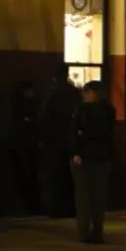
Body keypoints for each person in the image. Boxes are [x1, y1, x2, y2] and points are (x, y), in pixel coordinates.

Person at [70, 80, 116, 244]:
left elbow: (76, 132)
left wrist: (76, 151)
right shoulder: (109, 110)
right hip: (102, 157)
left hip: (85, 157)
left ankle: (85, 231)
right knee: (98, 196)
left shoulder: (81, 110)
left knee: (84, 196)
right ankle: (96, 231)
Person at [41, 64, 81, 218]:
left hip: (54, 142)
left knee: (55, 177)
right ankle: (70, 208)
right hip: (70, 140)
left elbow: (45, 118)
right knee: (69, 177)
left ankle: (57, 209)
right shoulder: (74, 93)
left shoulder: (53, 94)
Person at [11, 80, 41, 215]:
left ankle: (25, 205)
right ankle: (31, 205)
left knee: (23, 177)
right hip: (28, 147)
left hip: (22, 146)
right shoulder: (30, 105)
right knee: (29, 176)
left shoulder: (16, 105)